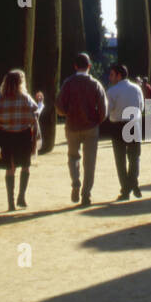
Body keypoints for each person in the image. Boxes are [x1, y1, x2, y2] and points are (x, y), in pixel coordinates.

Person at [54, 52, 107, 206]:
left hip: (72, 126)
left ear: (75, 66)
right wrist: (98, 119)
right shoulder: (96, 84)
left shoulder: (68, 83)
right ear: (89, 66)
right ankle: (86, 194)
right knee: (90, 162)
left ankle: (76, 182)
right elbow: (104, 108)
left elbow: (58, 104)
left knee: (73, 157)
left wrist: (66, 114)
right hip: (91, 127)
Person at [0, 69, 41, 211]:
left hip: (7, 136)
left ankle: (10, 202)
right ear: (20, 83)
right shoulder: (24, 97)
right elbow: (35, 111)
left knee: (10, 169)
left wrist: (3, 126)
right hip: (23, 135)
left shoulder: (1, 99)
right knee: (25, 165)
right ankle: (21, 196)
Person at [104, 63, 145, 201]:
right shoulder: (137, 88)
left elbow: (107, 111)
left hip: (118, 126)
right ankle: (133, 183)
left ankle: (126, 189)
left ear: (119, 75)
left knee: (120, 160)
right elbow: (142, 107)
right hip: (134, 124)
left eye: (112, 74)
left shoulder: (112, 91)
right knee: (134, 157)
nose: (110, 77)